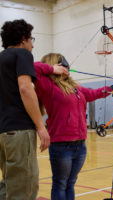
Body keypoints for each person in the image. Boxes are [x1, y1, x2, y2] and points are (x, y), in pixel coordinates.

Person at [33, 53, 113, 200]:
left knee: (70, 184)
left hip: (80, 145)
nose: (66, 67)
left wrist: (112, 88)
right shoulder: (47, 85)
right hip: (61, 145)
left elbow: (93, 93)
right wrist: (51, 69)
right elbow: (32, 67)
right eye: (62, 65)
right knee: (61, 184)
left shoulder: (74, 87)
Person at [0, 19, 50, 200]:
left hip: (3, 133)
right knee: (24, 189)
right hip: (19, 131)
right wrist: (41, 126)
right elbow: (25, 88)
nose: (32, 46)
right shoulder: (22, 54)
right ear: (23, 39)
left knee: (8, 184)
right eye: (31, 40)